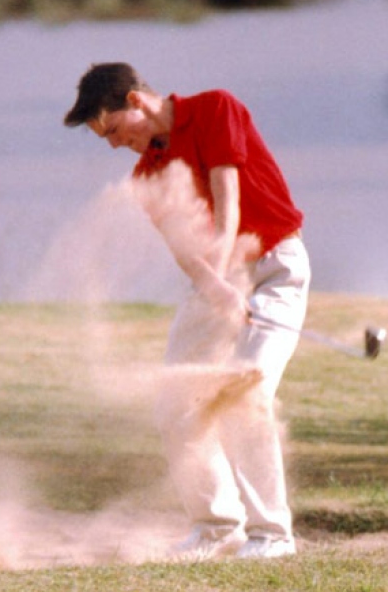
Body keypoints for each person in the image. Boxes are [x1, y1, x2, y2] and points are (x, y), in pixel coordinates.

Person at [64, 62, 310, 560]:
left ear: (136, 102)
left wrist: (225, 277)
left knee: (249, 388)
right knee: (175, 402)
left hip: (275, 269)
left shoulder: (215, 107)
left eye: (112, 130)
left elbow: (228, 202)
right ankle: (216, 526)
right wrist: (215, 285)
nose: (113, 144)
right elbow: (184, 251)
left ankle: (272, 535)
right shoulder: (146, 174)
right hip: (216, 283)